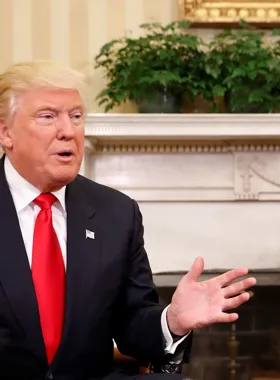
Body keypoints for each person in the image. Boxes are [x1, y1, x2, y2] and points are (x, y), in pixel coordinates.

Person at [0, 60, 256, 380]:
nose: (68, 131)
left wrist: (172, 321)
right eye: (48, 117)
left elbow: (132, 323)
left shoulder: (115, 213)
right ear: (5, 131)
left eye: (76, 117)